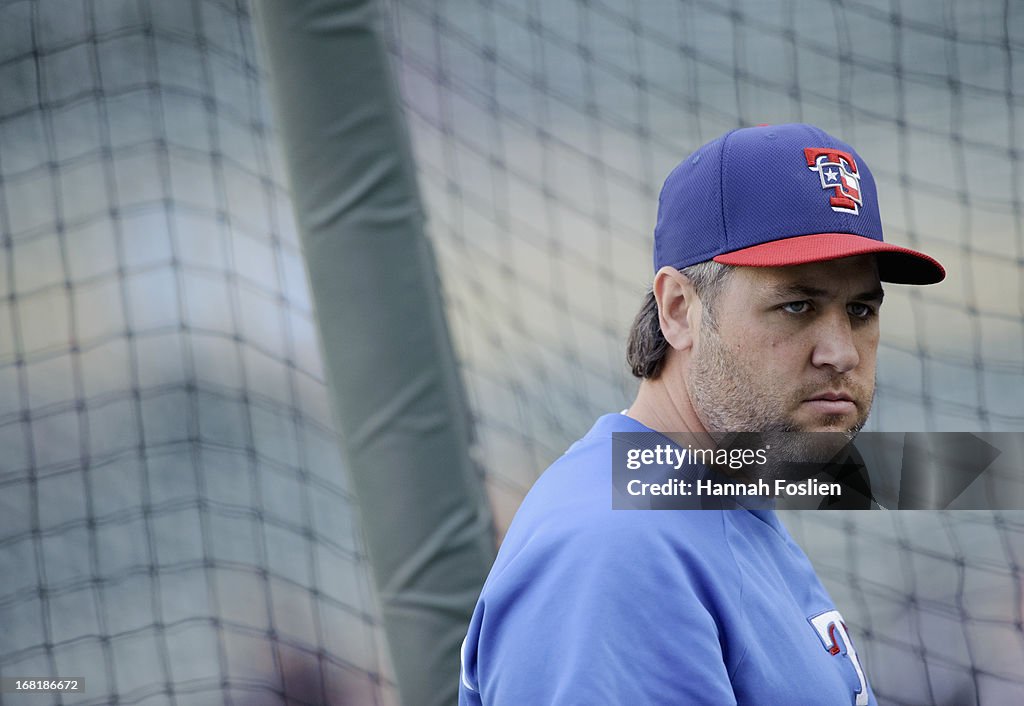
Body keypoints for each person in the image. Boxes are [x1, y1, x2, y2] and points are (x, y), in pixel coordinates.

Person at [457, 123, 945, 705]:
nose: (840, 353)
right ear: (679, 310)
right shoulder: (616, 552)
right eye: (796, 305)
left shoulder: (715, 488)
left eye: (861, 310)